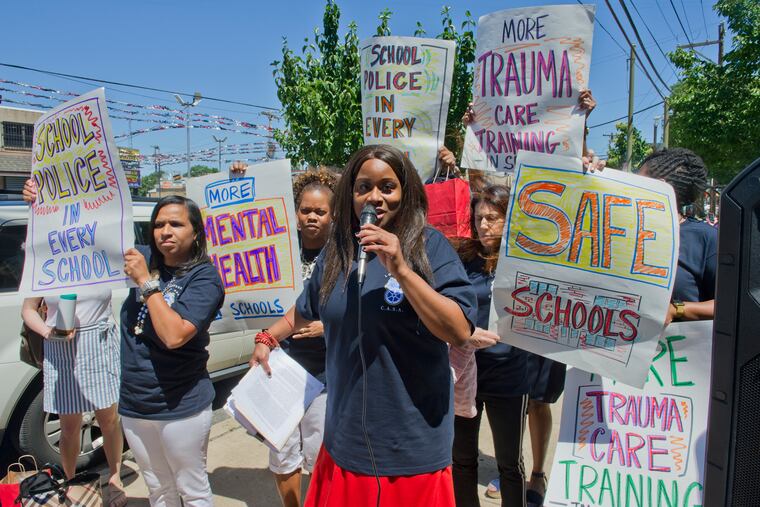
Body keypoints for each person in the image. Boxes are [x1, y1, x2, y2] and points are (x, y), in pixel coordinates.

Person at [251, 144, 477, 507]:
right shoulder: (337, 249)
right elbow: (306, 308)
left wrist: (402, 271)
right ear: (351, 195)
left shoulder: (429, 246)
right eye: (363, 187)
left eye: (387, 187)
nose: (374, 197)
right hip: (345, 441)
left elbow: (459, 331)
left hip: (409, 448)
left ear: (405, 192)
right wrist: (268, 337)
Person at [20, 180, 126, 507]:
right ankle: (69, 483)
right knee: (69, 426)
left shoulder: (102, 253)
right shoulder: (45, 260)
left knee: (109, 419)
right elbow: (28, 310)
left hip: (98, 340)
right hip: (60, 347)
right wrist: (47, 332)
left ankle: (115, 477)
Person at [119, 195, 225, 507]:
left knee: (191, 490)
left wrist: (145, 283)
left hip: (180, 406)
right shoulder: (144, 260)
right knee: (158, 489)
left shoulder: (205, 278)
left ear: (196, 233)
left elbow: (174, 335)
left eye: (176, 224)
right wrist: (40, 204)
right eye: (158, 224)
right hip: (135, 404)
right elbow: (89, 238)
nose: (165, 231)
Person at [452, 185, 533, 507]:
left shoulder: (525, 260)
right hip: (465, 373)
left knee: (509, 463)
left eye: (492, 218)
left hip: (509, 376)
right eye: (478, 219)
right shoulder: (463, 259)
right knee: (461, 458)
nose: (484, 225)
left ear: (509, 219)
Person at [268, 166, 337, 507]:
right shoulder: (278, 252)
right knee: (281, 450)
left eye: (320, 211)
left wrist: (329, 325)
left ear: (333, 215)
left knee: (320, 452)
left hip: (324, 373)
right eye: (305, 210)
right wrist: (241, 178)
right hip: (279, 368)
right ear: (295, 214)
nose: (312, 217)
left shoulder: (344, 257)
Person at [637, 147, 716, 320]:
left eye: (637, 181)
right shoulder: (618, 230)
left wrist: (676, 310)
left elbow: (732, 303)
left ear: (659, 187)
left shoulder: (705, 238)